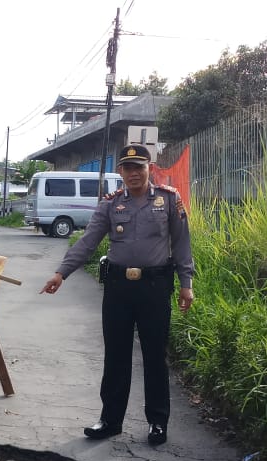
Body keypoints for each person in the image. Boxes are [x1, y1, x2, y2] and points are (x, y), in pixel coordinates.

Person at [40, 143, 195, 445]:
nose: (134, 173)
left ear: (150, 168)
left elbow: (182, 245)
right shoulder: (110, 204)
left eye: (139, 167)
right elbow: (87, 241)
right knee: (116, 356)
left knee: (154, 356)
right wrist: (62, 272)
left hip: (154, 287)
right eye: (127, 168)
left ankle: (158, 423)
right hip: (118, 289)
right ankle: (110, 421)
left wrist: (186, 284)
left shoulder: (169, 200)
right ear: (121, 172)